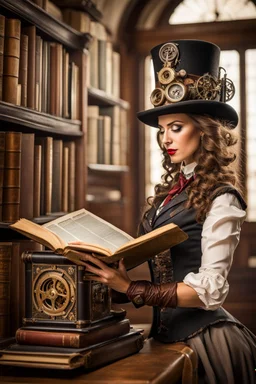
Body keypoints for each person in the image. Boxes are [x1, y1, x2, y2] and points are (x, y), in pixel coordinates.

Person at [70, 40, 256, 383]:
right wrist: (103, 274)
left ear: (204, 130)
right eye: (162, 129)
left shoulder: (223, 199)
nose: (166, 139)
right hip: (163, 339)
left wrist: (131, 289)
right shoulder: (168, 196)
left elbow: (210, 291)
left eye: (177, 127)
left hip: (207, 342)